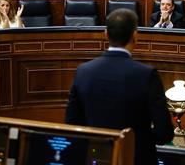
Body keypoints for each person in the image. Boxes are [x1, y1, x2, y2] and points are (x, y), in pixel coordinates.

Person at [65, 9, 174, 165]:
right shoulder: (147, 75)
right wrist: (141, 139)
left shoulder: (83, 72)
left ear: (106, 34)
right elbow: (164, 134)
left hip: (95, 158)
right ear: (135, 36)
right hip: (136, 158)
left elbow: (71, 125)